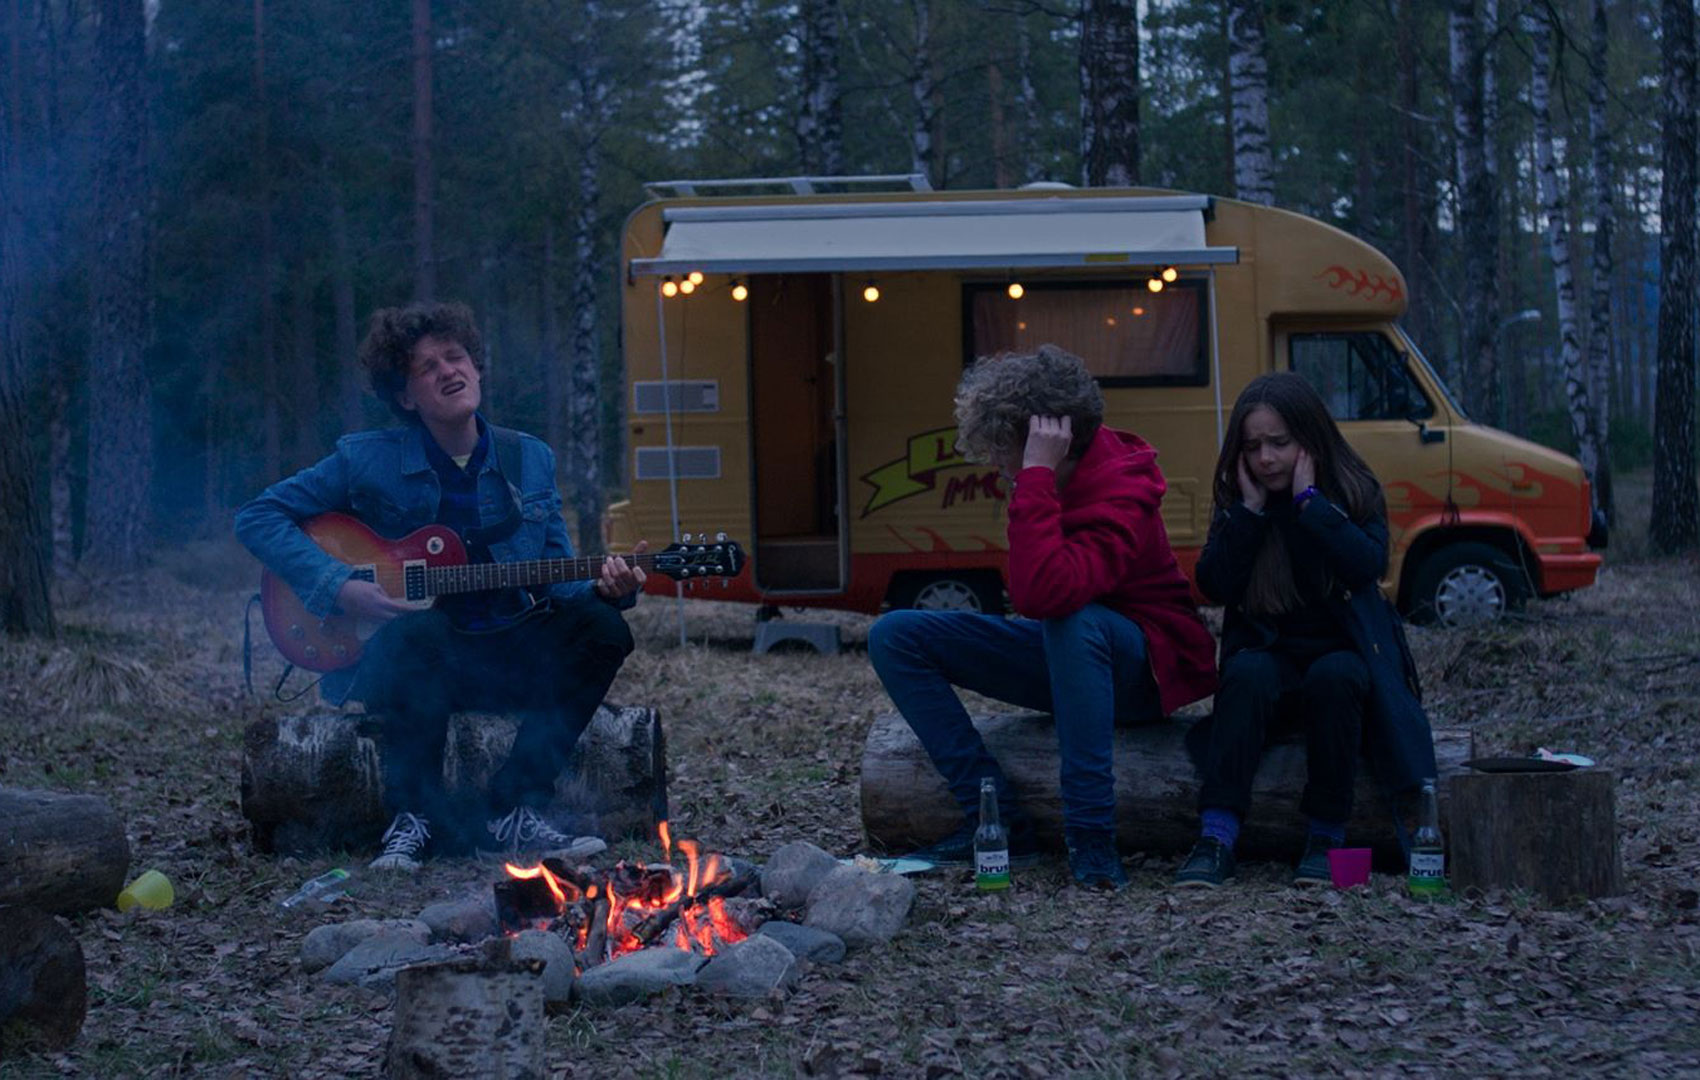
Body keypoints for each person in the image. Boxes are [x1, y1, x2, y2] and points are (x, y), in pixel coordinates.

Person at [236, 301, 647, 872]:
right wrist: (338, 587)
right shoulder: (364, 459)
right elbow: (258, 517)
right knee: (420, 627)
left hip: (507, 657)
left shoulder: (529, 460)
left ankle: (513, 807)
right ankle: (414, 818)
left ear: (477, 368)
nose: (448, 371)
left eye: (456, 357)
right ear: (406, 396)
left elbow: (558, 581)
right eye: (426, 367)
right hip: (411, 667)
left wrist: (609, 589)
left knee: (604, 629)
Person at [868, 345, 1218, 889]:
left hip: (1143, 670)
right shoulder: (1046, 480)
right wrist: (1035, 480)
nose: (1000, 466)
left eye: (1005, 450)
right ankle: (996, 821)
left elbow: (1044, 595)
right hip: (1069, 652)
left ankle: (1091, 834)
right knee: (895, 635)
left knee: (1074, 620)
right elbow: (1035, 598)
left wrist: (1033, 476)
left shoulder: (1122, 487)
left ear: (1049, 441)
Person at [1173, 372, 1437, 889]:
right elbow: (1213, 584)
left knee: (1336, 676)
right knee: (1246, 673)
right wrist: (1247, 516)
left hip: (1340, 659)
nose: (1266, 458)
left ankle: (1325, 837)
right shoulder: (1239, 499)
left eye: (1279, 442)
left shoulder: (1354, 490)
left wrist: (1311, 506)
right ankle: (1217, 836)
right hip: (1269, 658)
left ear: (1310, 439)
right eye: (1253, 446)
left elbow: (1367, 565)